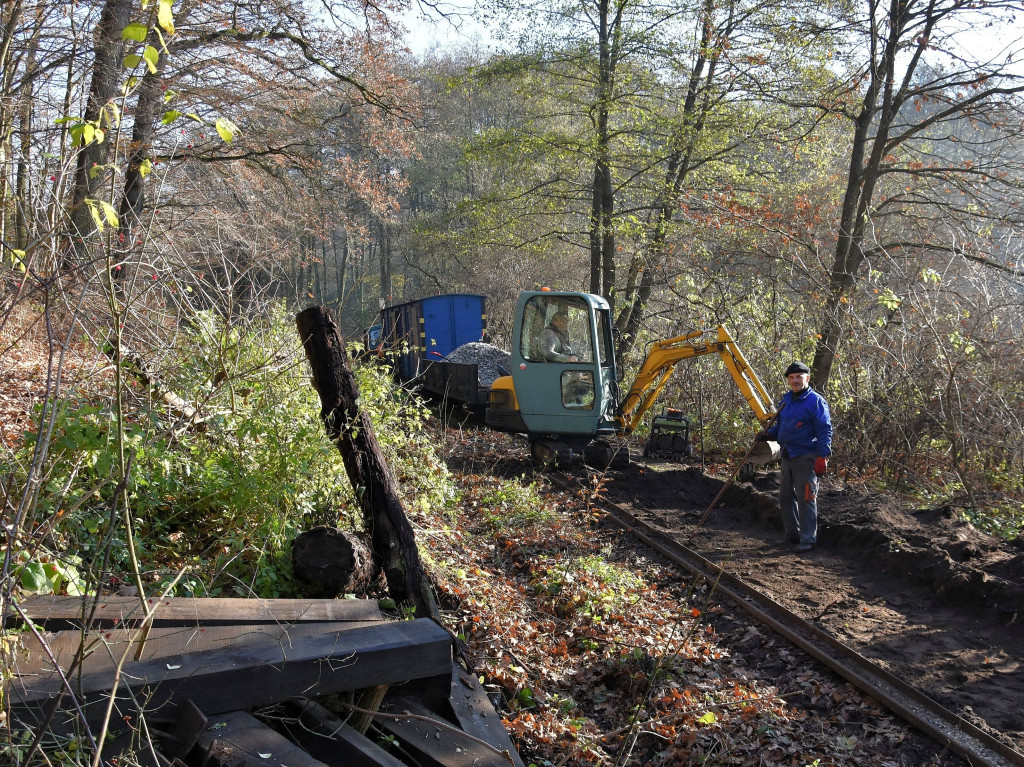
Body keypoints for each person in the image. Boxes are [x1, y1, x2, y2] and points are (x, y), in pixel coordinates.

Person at [759, 360, 832, 553]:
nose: (795, 380)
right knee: (785, 497)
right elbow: (782, 427)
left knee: (806, 497)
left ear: (807, 378)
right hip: (787, 454)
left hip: (807, 456)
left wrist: (823, 456)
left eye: (799, 377)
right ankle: (792, 535)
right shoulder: (786, 400)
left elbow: (825, 430)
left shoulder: (816, 401)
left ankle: (807, 539)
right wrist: (768, 434)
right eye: (791, 377)